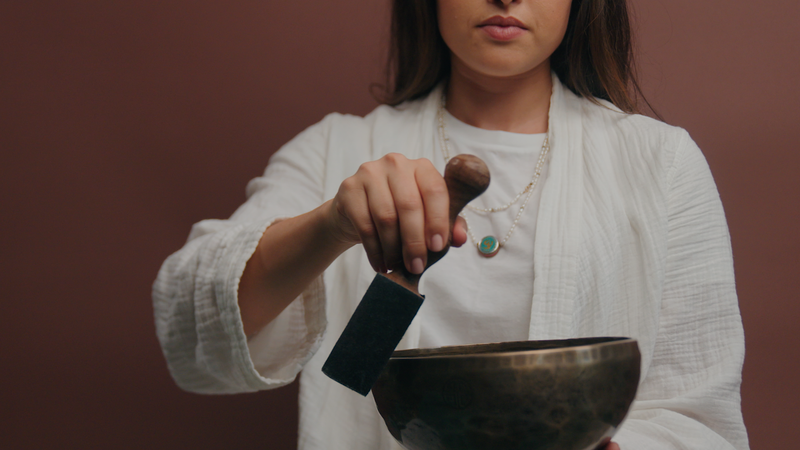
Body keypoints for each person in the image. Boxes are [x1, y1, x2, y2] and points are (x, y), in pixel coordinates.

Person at [152, 0, 749, 448]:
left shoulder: (659, 163)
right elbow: (191, 330)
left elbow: (699, 417)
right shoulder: (337, 150)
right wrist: (331, 225)